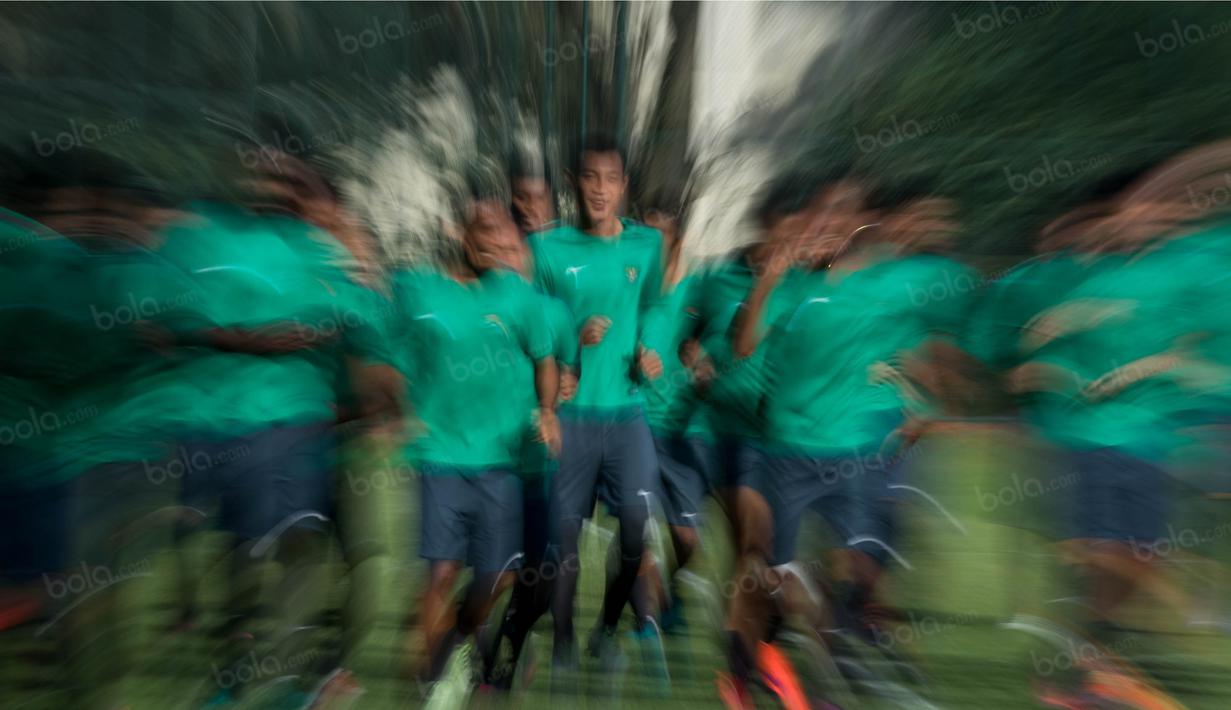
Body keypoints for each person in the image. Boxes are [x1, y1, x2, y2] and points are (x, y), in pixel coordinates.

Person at [376, 185, 560, 683]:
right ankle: (431, 682)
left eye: (505, 237)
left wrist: (546, 410)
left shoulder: (519, 296)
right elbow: (393, 362)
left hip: (500, 461)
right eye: (487, 234)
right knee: (440, 572)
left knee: (498, 576)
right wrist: (399, 410)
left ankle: (459, 635)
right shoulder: (419, 291)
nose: (499, 247)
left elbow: (545, 359)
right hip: (438, 454)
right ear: (457, 233)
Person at [528, 133, 666, 671]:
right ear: (573, 183)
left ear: (624, 184)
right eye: (590, 178)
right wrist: (569, 348)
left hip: (628, 414)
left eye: (611, 179)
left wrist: (649, 351)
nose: (600, 189)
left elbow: (653, 307)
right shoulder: (546, 249)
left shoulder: (647, 245)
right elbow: (536, 328)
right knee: (564, 540)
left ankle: (606, 629)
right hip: (572, 418)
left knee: (635, 526)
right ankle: (562, 642)